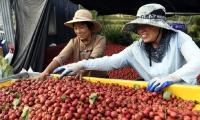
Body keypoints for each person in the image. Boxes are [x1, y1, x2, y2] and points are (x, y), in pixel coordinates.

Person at [53, 3, 200, 92]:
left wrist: (172, 77)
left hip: (186, 93)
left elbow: (198, 60)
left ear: (160, 27)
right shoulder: (136, 49)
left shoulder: (179, 39)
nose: (141, 30)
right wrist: (81, 64)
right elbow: (111, 61)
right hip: (156, 96)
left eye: (147, 25)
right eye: (138, 26)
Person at [38, 9, 107, 79]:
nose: (78, 31)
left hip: (99, 79)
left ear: (90, 28)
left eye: (81, 27)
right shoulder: (74, 42)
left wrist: (83, 71)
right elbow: (60, 58)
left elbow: (94, 59)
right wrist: (46, 72)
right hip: (81, 79)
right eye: (75, 28)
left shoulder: (100, 40)